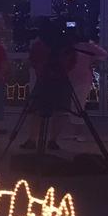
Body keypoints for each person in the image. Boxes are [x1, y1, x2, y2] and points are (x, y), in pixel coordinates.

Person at [22, 19, 76, 151]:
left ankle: (37, 140)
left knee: (54, 111)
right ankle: (41, 140)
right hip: (52, 81)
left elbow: (70, 61)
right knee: (41, 111)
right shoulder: (43, 45)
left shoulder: (52, 45)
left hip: (54, 81)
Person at [63, 33, 108, 142]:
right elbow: (104, 54)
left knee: (75, 106)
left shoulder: (69, 47)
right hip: (81, 79)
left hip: (72, 79)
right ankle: (76, 133)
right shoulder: (88, 46)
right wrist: (93, 61)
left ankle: (77, 133)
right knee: (78, 106)